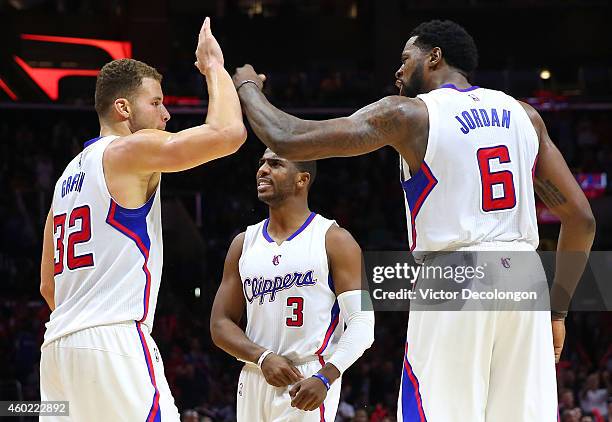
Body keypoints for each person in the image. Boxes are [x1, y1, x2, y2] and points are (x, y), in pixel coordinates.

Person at [232, 19, 596, 422]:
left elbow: (286, 136)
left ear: (434, 57)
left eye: (406, 59)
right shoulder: (526, 116)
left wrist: (246, 86)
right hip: (525, 279)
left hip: (455, 275)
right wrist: (558, 313)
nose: (398, 71)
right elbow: (580, 219)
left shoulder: (410, 114)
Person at [39, 18, 246, 421]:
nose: (166, 114)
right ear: (123, 108)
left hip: (59, 350)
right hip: (114, 338)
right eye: (156, 103)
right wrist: (214, 68)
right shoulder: (127, 151)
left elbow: (49, 285)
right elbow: (228, 134)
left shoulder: (65, 179)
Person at [210, 149, 375, 421]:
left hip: (307, 378)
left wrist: (326, 377)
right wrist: (262, 357)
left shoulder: (336, 240)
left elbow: (363, 322)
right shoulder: (243, 243)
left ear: (302, 179)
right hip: (254, 373)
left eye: (275, 164)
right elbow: (220, 325)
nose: (262, 169)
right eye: (261, 162)